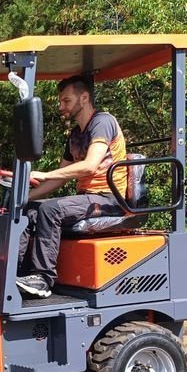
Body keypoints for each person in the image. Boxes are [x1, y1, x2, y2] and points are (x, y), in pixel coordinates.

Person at [15, 75, 128, 298]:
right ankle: (15, 272)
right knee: (28, 211)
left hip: (109, 199)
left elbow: (89, 166)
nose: (61, 106)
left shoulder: (102, 122)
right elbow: (60, 179)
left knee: (51, 209)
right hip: (87, 198)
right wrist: (23, 198)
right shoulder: (75, 135)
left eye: (66, 101)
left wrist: (45, 173)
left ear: (84, 98)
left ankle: (42, 279)